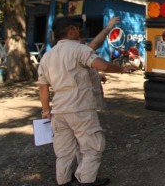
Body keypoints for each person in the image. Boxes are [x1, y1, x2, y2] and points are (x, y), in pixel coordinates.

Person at [38, 17, 135, 186]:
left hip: (58, 111)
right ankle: (87, 181)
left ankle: (64, 181)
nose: (78, 31)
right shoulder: (78, 49)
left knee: (64, 152)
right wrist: (122, 69)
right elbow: (103, 65)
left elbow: (43, 88)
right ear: (71, 30)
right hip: (80, 108)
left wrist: (46, 111)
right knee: (92, 147)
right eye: (76, 28)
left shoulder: (47, 56)